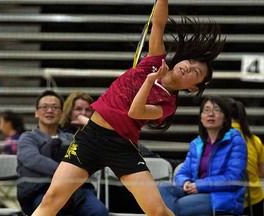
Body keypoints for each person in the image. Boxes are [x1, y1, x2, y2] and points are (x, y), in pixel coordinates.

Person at [32, 0, 225, 215]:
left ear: (191, 88)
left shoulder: (167, 105)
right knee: (52, 199)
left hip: (121, 146)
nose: (188, 67)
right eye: (190, 62)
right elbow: (158, 24)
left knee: (157, 211)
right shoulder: (154, 60)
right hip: (90, 138)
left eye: (195, 73)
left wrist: (150, 81)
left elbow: (135, 112)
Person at [17, 89, 108, 216]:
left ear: (61, 113)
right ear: (36, 113)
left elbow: (91, 156)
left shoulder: (71, 138)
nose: (49, 110)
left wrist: (89, 124)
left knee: (99, 211)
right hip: (40, 190)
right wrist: (67, 172)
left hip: (77, 191)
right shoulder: (28, 138)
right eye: (44, 107)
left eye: (55, 107)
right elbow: (32, 159)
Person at [158, 96, 248, 216]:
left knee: (174, 207)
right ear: (201, 117)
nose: (210, 114)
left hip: (222, 197)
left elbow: (233, 178)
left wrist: (199, 185)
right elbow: (182, 173)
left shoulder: (236, 141)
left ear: (225, 117)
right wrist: (186, 182)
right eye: (206, 110)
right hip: (195, 191)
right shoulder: (197, 143)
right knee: (163, 188)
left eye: (216, 110)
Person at [226, 98, 264, 216]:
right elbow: (262, 172)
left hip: (230, 201)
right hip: (255, 200)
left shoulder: (219, 139)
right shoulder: (255, 140)